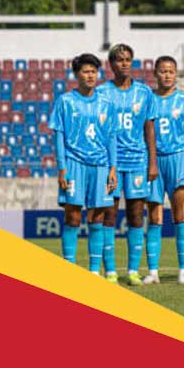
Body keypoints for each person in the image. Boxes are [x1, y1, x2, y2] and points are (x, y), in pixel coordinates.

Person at [96, 43, 158, 286]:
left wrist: (152, 161)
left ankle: (133, 270)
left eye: (127, 59)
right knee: (108, 214)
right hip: (110, 162)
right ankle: (110, 271)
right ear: (111, 64)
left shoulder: (144, 93)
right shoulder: (102, 93)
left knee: (135, 215)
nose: (124, 63)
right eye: (119, 59)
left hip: (137, 161)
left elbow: (149, 128)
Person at [52, 54, 118, 271]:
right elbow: (58, 135)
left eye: (93, 71)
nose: (90, 76)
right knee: (72, 215)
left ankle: (94, 271)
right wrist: (62, 168)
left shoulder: (105, 103)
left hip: (100, 166)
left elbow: (110, 137)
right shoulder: (65, 101)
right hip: (73, 164)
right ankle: (70, 269)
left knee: (97, 216)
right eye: (86, 71)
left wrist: (113, 168)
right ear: (76, 74)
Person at [147, 56, 184, 284]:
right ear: (155, 73)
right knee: (155, 215)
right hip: (155, 160)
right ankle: (153, 272)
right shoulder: (148, 99)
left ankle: (183, 272)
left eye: (171, 71)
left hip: (179, 159)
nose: (167, 75)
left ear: (176, 74)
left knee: (181, 214)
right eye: (163, 71)